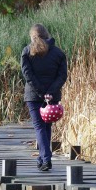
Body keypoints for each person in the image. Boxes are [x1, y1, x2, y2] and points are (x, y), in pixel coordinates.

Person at [21, 23, 68, 172]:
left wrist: (41, 92)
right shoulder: (58, 53)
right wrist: (50, 93)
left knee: (40, 126)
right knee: (46, 126)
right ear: (47, 35)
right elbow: (62, 76)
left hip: (33, 96)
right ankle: (42, 158)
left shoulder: (27, 52)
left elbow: (28, 75)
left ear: (32, 36)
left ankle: (46, 159)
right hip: (52, 96)